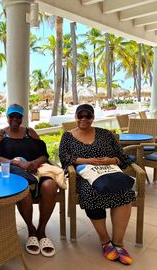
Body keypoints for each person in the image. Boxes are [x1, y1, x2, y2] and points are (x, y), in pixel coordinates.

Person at [59, 104, 134, 265]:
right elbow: (64, 158)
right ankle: (105, 241)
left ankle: (118, 243)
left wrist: (111, 160)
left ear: (93, 117)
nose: (84, 119)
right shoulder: (68, 136)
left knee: (125, 192)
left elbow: (122, 157)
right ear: (76, 117)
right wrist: (88, 161)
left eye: (88, 116)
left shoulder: (105, 134)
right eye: (80, 116)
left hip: (109, 172)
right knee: (91, 193)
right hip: (85, 177)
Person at [0, 104, 57, 257]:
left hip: (36, 170)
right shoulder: (1, 134)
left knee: (50, 186)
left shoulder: (30, 132)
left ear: (22, 118)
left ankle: (41, 230)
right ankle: (31, 229)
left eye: (18, 116)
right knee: (23, 189)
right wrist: (18, 163)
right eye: (11, 116)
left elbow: (44, 154)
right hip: (15, 173)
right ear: (7, 118)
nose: (15, 119)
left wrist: (33, 163)